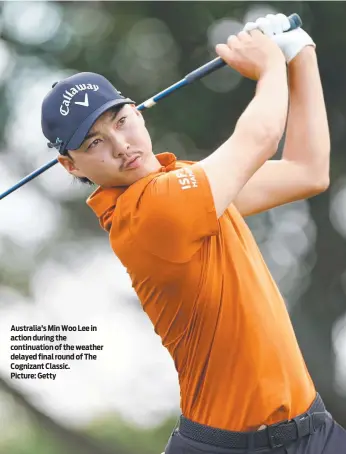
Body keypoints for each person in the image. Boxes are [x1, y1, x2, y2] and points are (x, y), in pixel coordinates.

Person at [41, 13, 345, 454]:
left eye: (121, 121)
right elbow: (260, 135)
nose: (121, 146)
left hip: (314, 432)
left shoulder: (187, 183)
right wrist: (270, 64)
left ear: (140, 112)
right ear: (70, 166)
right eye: (94, 143)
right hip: (230, 448)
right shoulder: (149, 216)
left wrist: (302, 54)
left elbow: (307, 171)